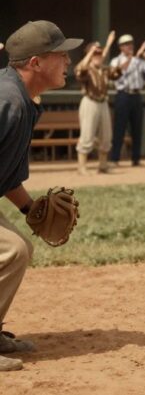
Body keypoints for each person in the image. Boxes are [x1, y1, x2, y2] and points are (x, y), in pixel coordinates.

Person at [0, 20, 82, 372]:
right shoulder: (8, 101)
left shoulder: (21, 99)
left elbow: (5, 176)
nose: (68, 62)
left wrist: (31, 209)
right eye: (60, 54)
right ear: (35, 63)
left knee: (19, 248)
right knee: (10, 249)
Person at [74, 31, 120, 175]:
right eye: (95, 53)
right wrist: (91, 52)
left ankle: (103, 165)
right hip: (90, 102)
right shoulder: (86, 70)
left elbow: (116, 73)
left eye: (99, 53)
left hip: (103, 103)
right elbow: (79, 70)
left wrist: (109, 43)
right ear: (89, 55)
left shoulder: (104, 69)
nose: (98, 56)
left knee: (106, 136)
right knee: (87, 135)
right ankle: (82, 167)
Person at [109, 34, 145, 167]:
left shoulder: (138, 60)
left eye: (131, 43)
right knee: (119, 128)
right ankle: (115, 159)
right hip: (123, 94)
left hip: (136, 95)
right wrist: (131, 58)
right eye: (126, 44)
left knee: (137, 128)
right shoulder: (116, 60)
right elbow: (116, 74)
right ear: (120, 47)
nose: (129, 46)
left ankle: (136, 158)